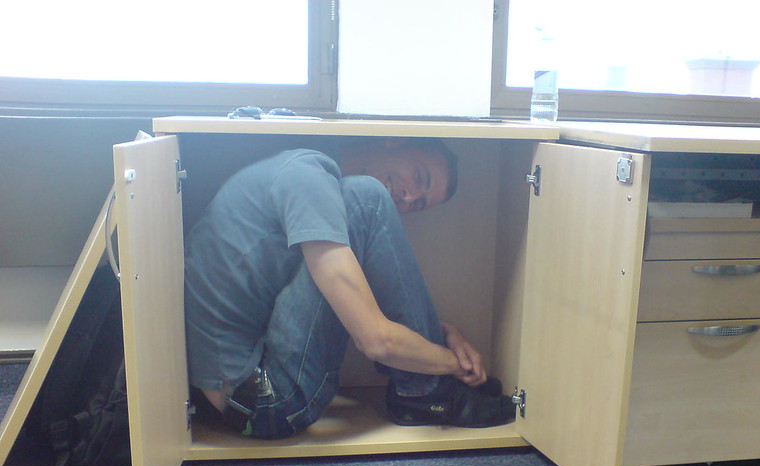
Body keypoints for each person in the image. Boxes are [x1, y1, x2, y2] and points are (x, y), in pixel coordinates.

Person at [184, 137, 515, 439]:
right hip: (266, 403)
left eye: (419, 204)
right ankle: (426, 394)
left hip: (237, 389)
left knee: (360, 201)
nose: (410, 196)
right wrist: (453, 365)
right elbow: (377, 341)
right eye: (419, 177)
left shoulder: (300, 170)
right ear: (395, 142)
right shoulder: (310, 180)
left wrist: (444, 333)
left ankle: (426, 387)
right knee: (365, 201)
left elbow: (348, 297)